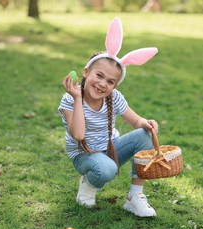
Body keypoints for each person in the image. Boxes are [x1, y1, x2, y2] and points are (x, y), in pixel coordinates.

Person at [58, 17, 159, 217]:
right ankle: (88, 183)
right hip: (84, 155)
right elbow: (78, 134)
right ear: (86, 72)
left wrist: (146, 124)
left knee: (145, 135)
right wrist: (78, 98)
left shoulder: (114, 98)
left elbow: (135, 120)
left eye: (110, 81)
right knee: (107, 170)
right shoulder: (70, 99)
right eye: (99, 75)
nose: (103, 84)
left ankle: (134, 197)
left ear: (115, 86)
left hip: (111, 149)